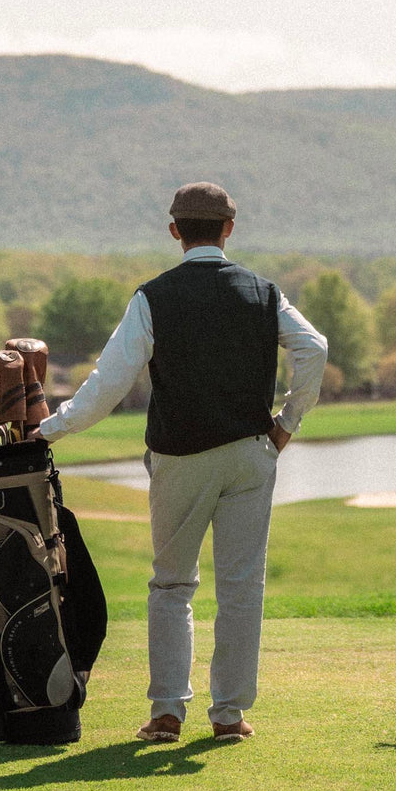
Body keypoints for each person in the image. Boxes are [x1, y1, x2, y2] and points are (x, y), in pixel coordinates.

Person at [37, 181, 327, 743]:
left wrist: (49, 429)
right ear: (229, 230)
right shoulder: (264, 292)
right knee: (242, 588)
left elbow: (108, 384)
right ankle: (229, 717)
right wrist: (287, 423)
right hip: (251, 453)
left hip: (179, 458)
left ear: (175, 231)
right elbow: (313, 348)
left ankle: (168, 713)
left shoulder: (153, 296)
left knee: (173, 586)